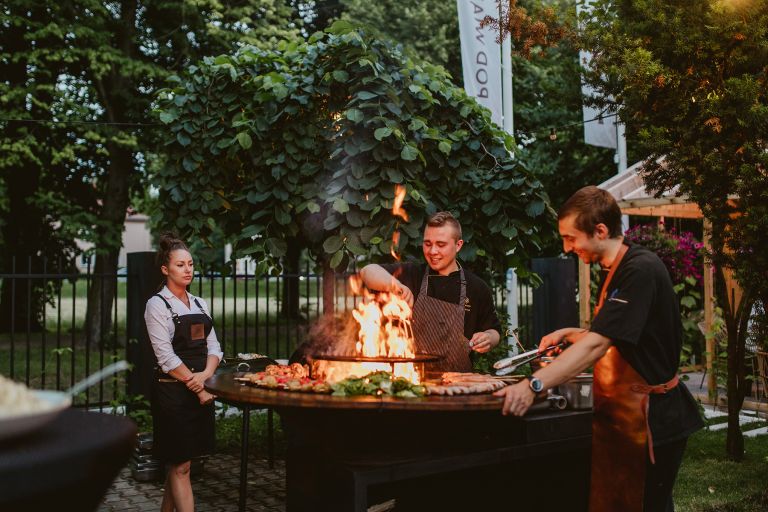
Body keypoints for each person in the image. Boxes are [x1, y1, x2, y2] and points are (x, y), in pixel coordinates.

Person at [495, 186, 703, 512]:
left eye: (571, 238)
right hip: (623, 417)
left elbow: (598, 345)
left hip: (652, 420)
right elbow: (621, 335)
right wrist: (571, 333)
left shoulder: (639, 269)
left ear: (600, 231)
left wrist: (534, 384)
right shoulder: (615, 268)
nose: (566, 248)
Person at [359, 211, 501, 372]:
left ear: (458, 245)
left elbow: (494, 330)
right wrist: (394, 285)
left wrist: (488, 338)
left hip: (458, 385)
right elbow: (367, 271)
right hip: (411, 381)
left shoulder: (477, 288)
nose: (432, 251)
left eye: (441, 245)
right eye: (427, 243)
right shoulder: (413, 274)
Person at [144, 233, 223, 512]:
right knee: (181, 466)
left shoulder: (200, 303)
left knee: (180, 465)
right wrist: (200, 387)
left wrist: (205, 377)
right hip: (172, 394)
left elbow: (214, 347)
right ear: (166, 269)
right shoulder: (157, 305)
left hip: (197, 389)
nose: (188, 269)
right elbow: (165, 357)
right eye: (180, 265)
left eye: (190, 263)